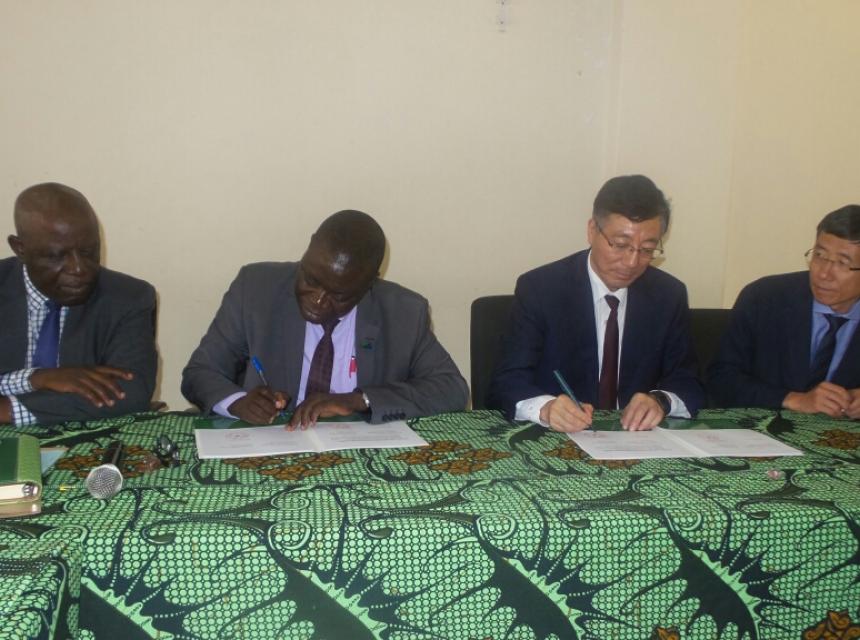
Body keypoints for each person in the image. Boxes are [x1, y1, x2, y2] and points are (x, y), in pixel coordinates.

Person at [182, 209, 469, 428]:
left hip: (362, 466)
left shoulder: (404, 311)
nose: (317, 299)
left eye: (338, 295)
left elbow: (451, 389)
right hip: (269, 457)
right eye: (311, 278)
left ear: (370, 284)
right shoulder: (255, 290)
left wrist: (358, 400)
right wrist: (238, 403)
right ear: (308, 249)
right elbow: (200, 373)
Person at [487, 175, 703, 432]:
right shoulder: (542, 289)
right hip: (557, 444)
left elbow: (688, 381)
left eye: (647, 249)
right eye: (620, 245)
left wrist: (661, 401)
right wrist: (546, 408)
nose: (632, 262)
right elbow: (508, 380)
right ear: (592, 230)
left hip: (638, 443)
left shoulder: (668, 295)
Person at [0, 183, 158, 426]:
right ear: (20, 248)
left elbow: (131, 392)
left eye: (89, 251)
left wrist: (9, 409)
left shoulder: (129, 297)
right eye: (56, 256)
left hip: (86, 447)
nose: (78, 269)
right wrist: (36, 378)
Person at [708, 205, 860, 418]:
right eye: (819, 255)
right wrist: (793, 399)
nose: (824, 273)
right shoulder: (764, 298)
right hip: (763, 435)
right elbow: (721, 380)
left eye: (842, 263)